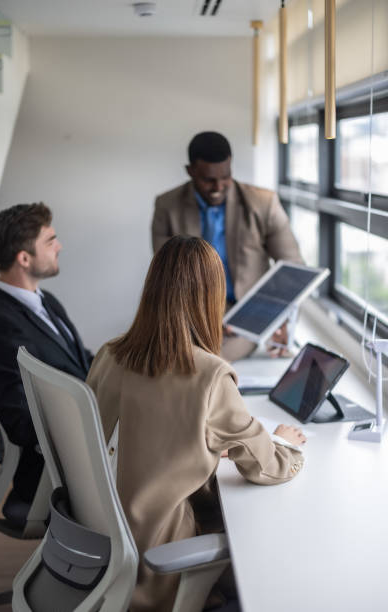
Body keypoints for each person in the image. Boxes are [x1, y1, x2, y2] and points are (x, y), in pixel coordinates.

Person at [87, 235, 306, 612]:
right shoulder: (209, 375)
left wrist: (197, 443)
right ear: (211, 297)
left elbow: (129, 437)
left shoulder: (109, 353)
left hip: (97, 543)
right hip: (157, 557)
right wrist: (285, 442)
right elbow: (267, 467)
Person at [0, 203, 93, 525]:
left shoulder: (45, 301)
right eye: (50, 240)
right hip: (54, 469)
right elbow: (20, 421)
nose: (59, 246)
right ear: (24, 258)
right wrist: (92, 421)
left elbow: (81, 360)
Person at [151, 131, 304, 361]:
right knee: (163, 358)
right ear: (190, 171)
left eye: (226, 177)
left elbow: (293, 270)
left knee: (205, 362)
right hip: (190, 312)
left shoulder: (264, 203)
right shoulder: (167, 206)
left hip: (247, 313)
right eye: (208, 180)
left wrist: (280, 318)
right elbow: (166, 276)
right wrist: (202, 318)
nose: (218, 186)